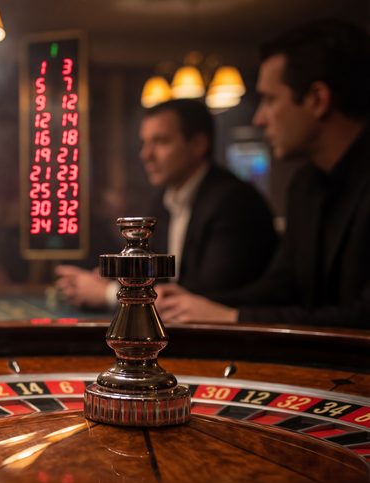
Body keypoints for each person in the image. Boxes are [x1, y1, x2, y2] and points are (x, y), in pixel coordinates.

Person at [156, 20, 370, 328]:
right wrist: (200, 305)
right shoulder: (305, 185)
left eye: (270, 100)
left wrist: (232, 316)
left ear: (317, 100)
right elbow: (281, 287)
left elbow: (363, 318)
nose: (259, 118)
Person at [56, 99, 278, 309]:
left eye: (161, 141)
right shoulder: (163, 201)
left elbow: (205, 300)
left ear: (199, 144)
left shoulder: (234, 202)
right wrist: (109, 277)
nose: (146, 155)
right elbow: (158, 277)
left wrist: (108, 294)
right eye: (145, 143)